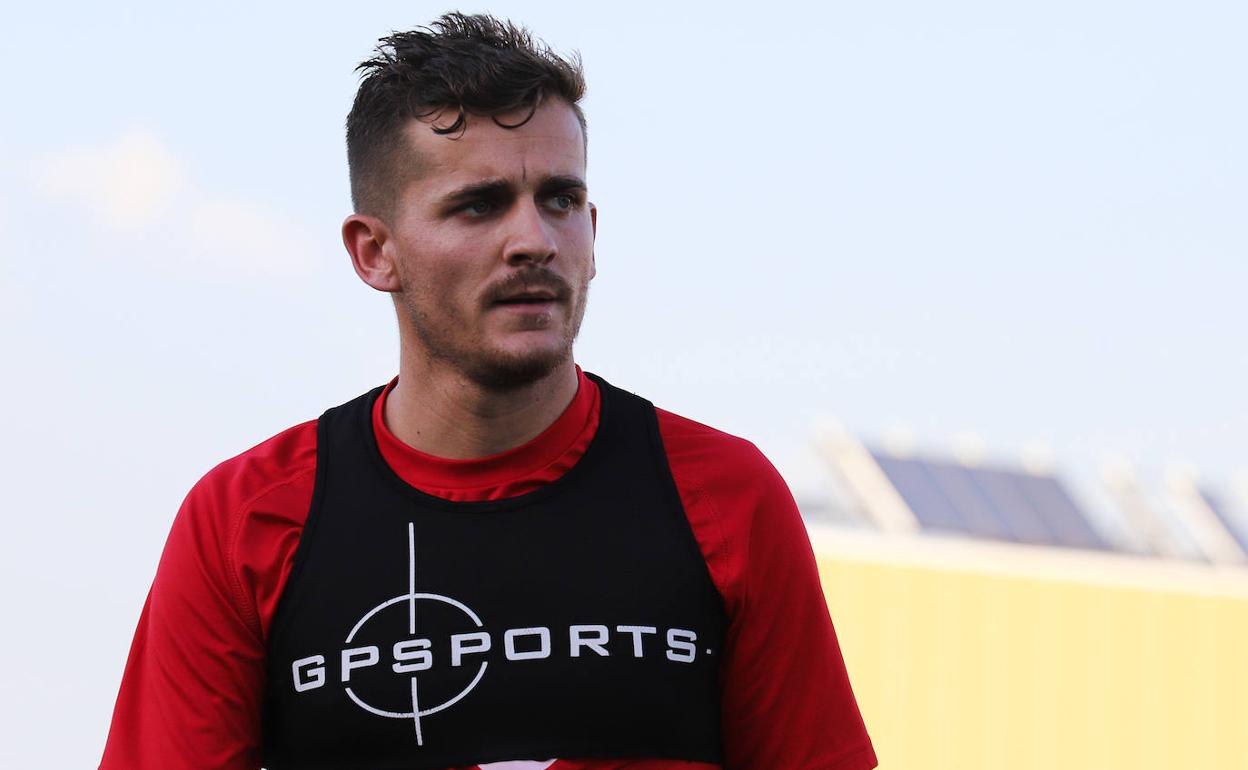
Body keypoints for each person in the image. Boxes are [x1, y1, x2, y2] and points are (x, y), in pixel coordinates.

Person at [99, 13, 877, 770]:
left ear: (594, 234)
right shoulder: (243, 521)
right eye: (479, 204)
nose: (534, 241)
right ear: (374, 252)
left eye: (560, 201)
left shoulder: (728, 496)